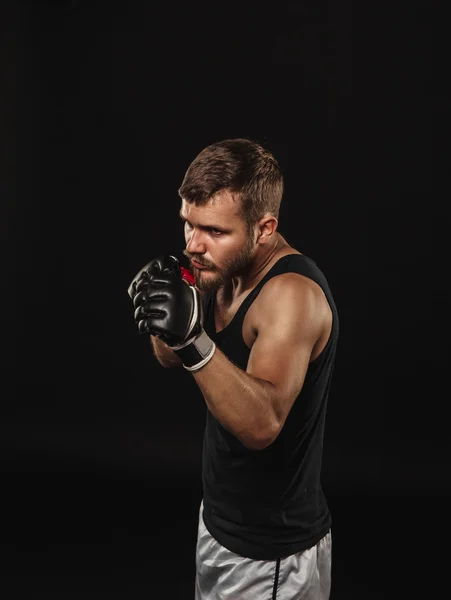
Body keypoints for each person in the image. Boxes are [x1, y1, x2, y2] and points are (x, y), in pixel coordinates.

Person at [127, 138, 339, 599]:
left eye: (215, 231)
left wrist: (191, 338)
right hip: (218, 524)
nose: (194, 244)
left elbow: (262, 425)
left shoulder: (291, 297)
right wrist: (167, 319)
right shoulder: (216, 266)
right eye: (188, 224)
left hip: (273, 554)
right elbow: (172, 357)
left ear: (264, 229)